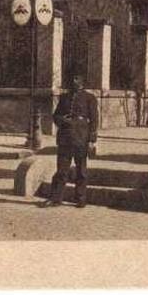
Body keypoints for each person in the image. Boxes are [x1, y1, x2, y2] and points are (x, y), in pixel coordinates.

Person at [41, 75, 99, 208]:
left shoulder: (90, 98)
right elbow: (56, 116)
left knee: (81, 171)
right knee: (61, 170)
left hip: (81, 137)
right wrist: (63, 120)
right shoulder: (64, 97)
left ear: (83, 82)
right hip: (65, 137)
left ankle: (80, 199)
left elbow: (94, 120)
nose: (74, 81)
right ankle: (55, 198)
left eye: (77, 78)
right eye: (73, 79)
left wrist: (91, 140)